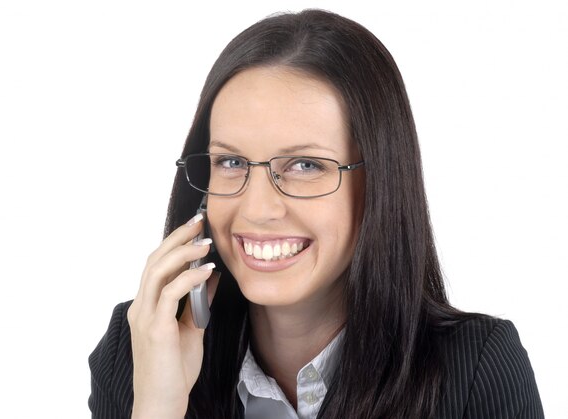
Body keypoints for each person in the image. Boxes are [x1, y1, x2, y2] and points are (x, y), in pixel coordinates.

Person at [88, 9, 543, 419]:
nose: (258, 209)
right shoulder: (139, 352)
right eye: (231, 162)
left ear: (380, 183)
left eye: (305, 165)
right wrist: (158, 409)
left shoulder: (476, 369)